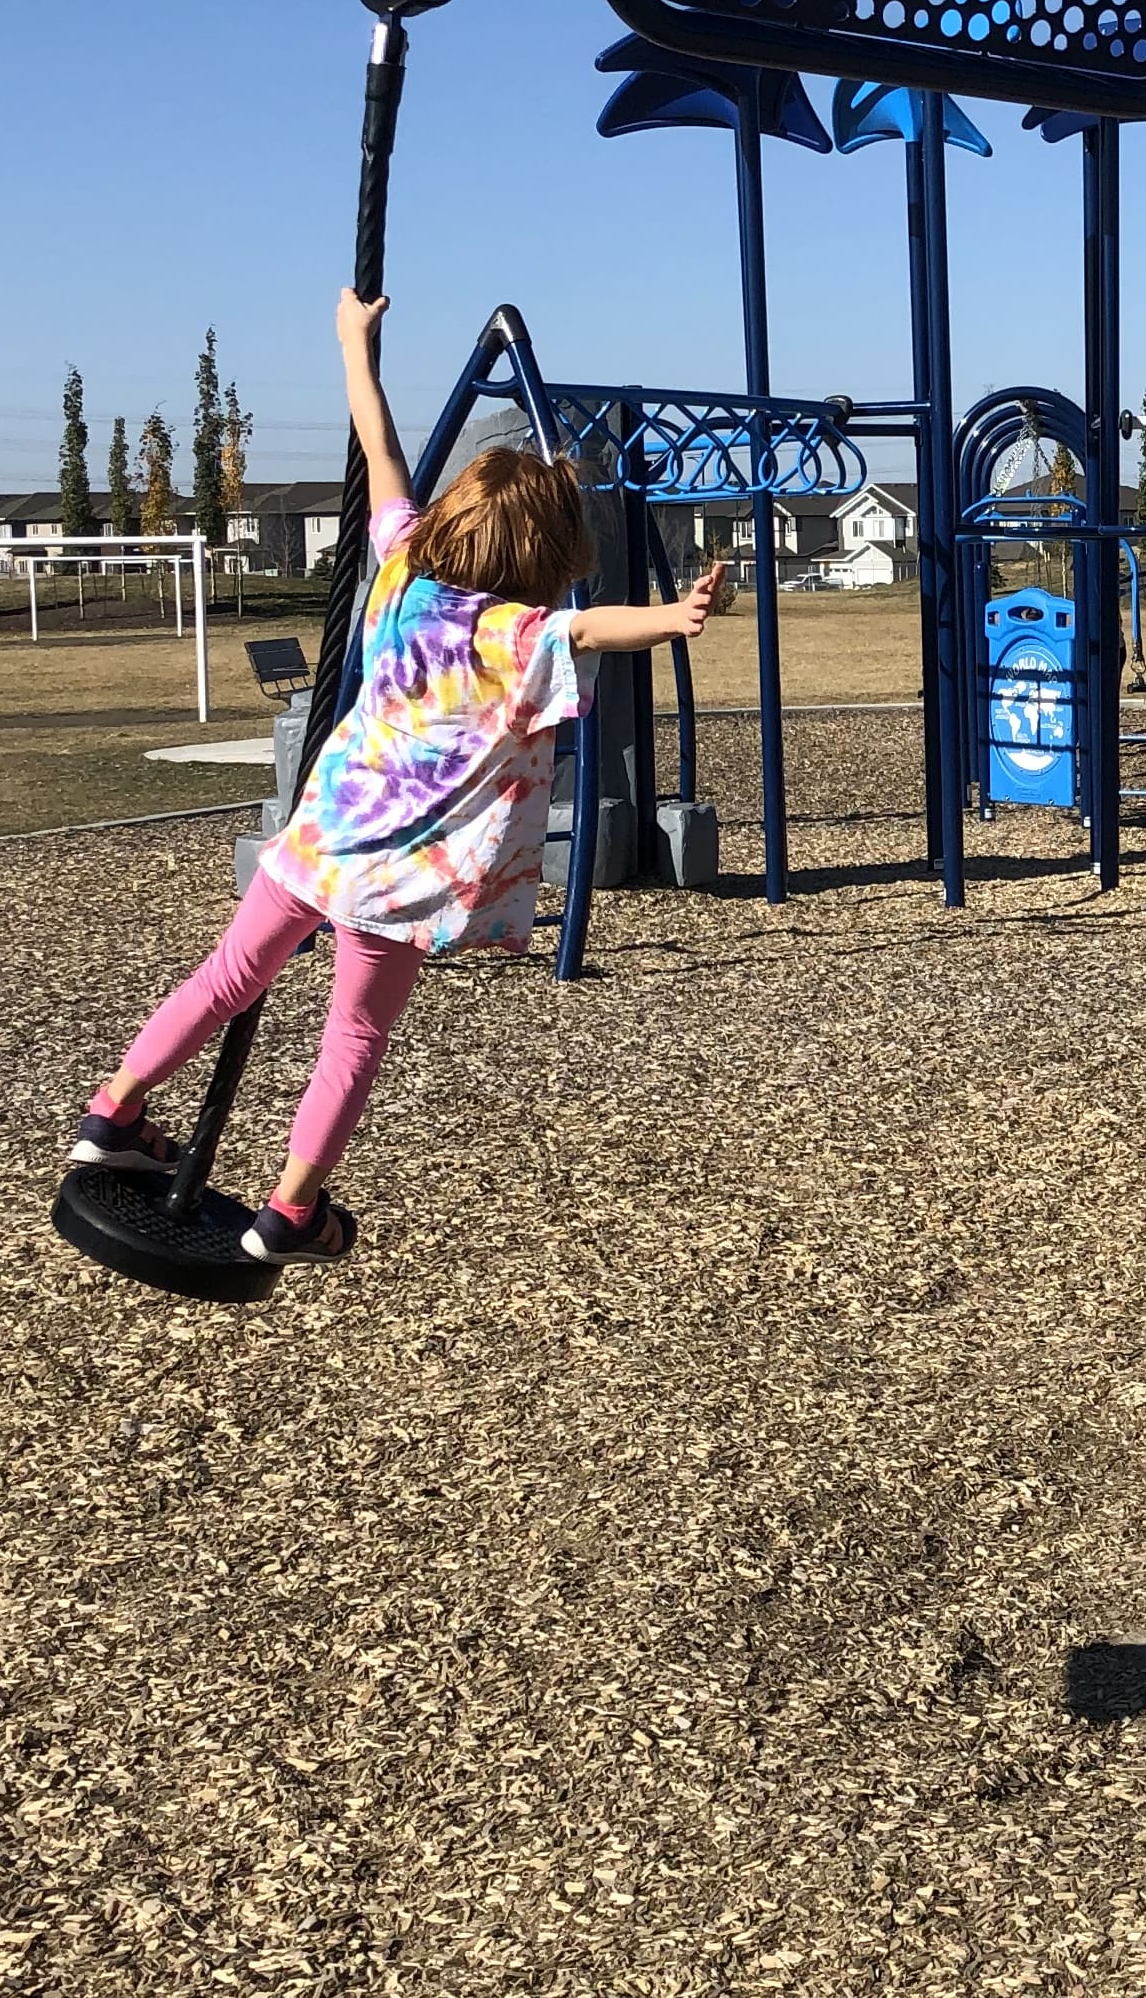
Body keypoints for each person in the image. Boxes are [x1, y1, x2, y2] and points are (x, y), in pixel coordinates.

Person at [66, 288, 724, 1267]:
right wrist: (670, 621)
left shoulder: (403, 565)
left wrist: (354, 346)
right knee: (353, 1038)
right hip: (399, 883)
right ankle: (290, 1208)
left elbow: (380, 452)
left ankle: (115, 1109)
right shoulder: (519, 635)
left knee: (226, 978)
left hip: (321, 836)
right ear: (546, 563)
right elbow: (589, 629)